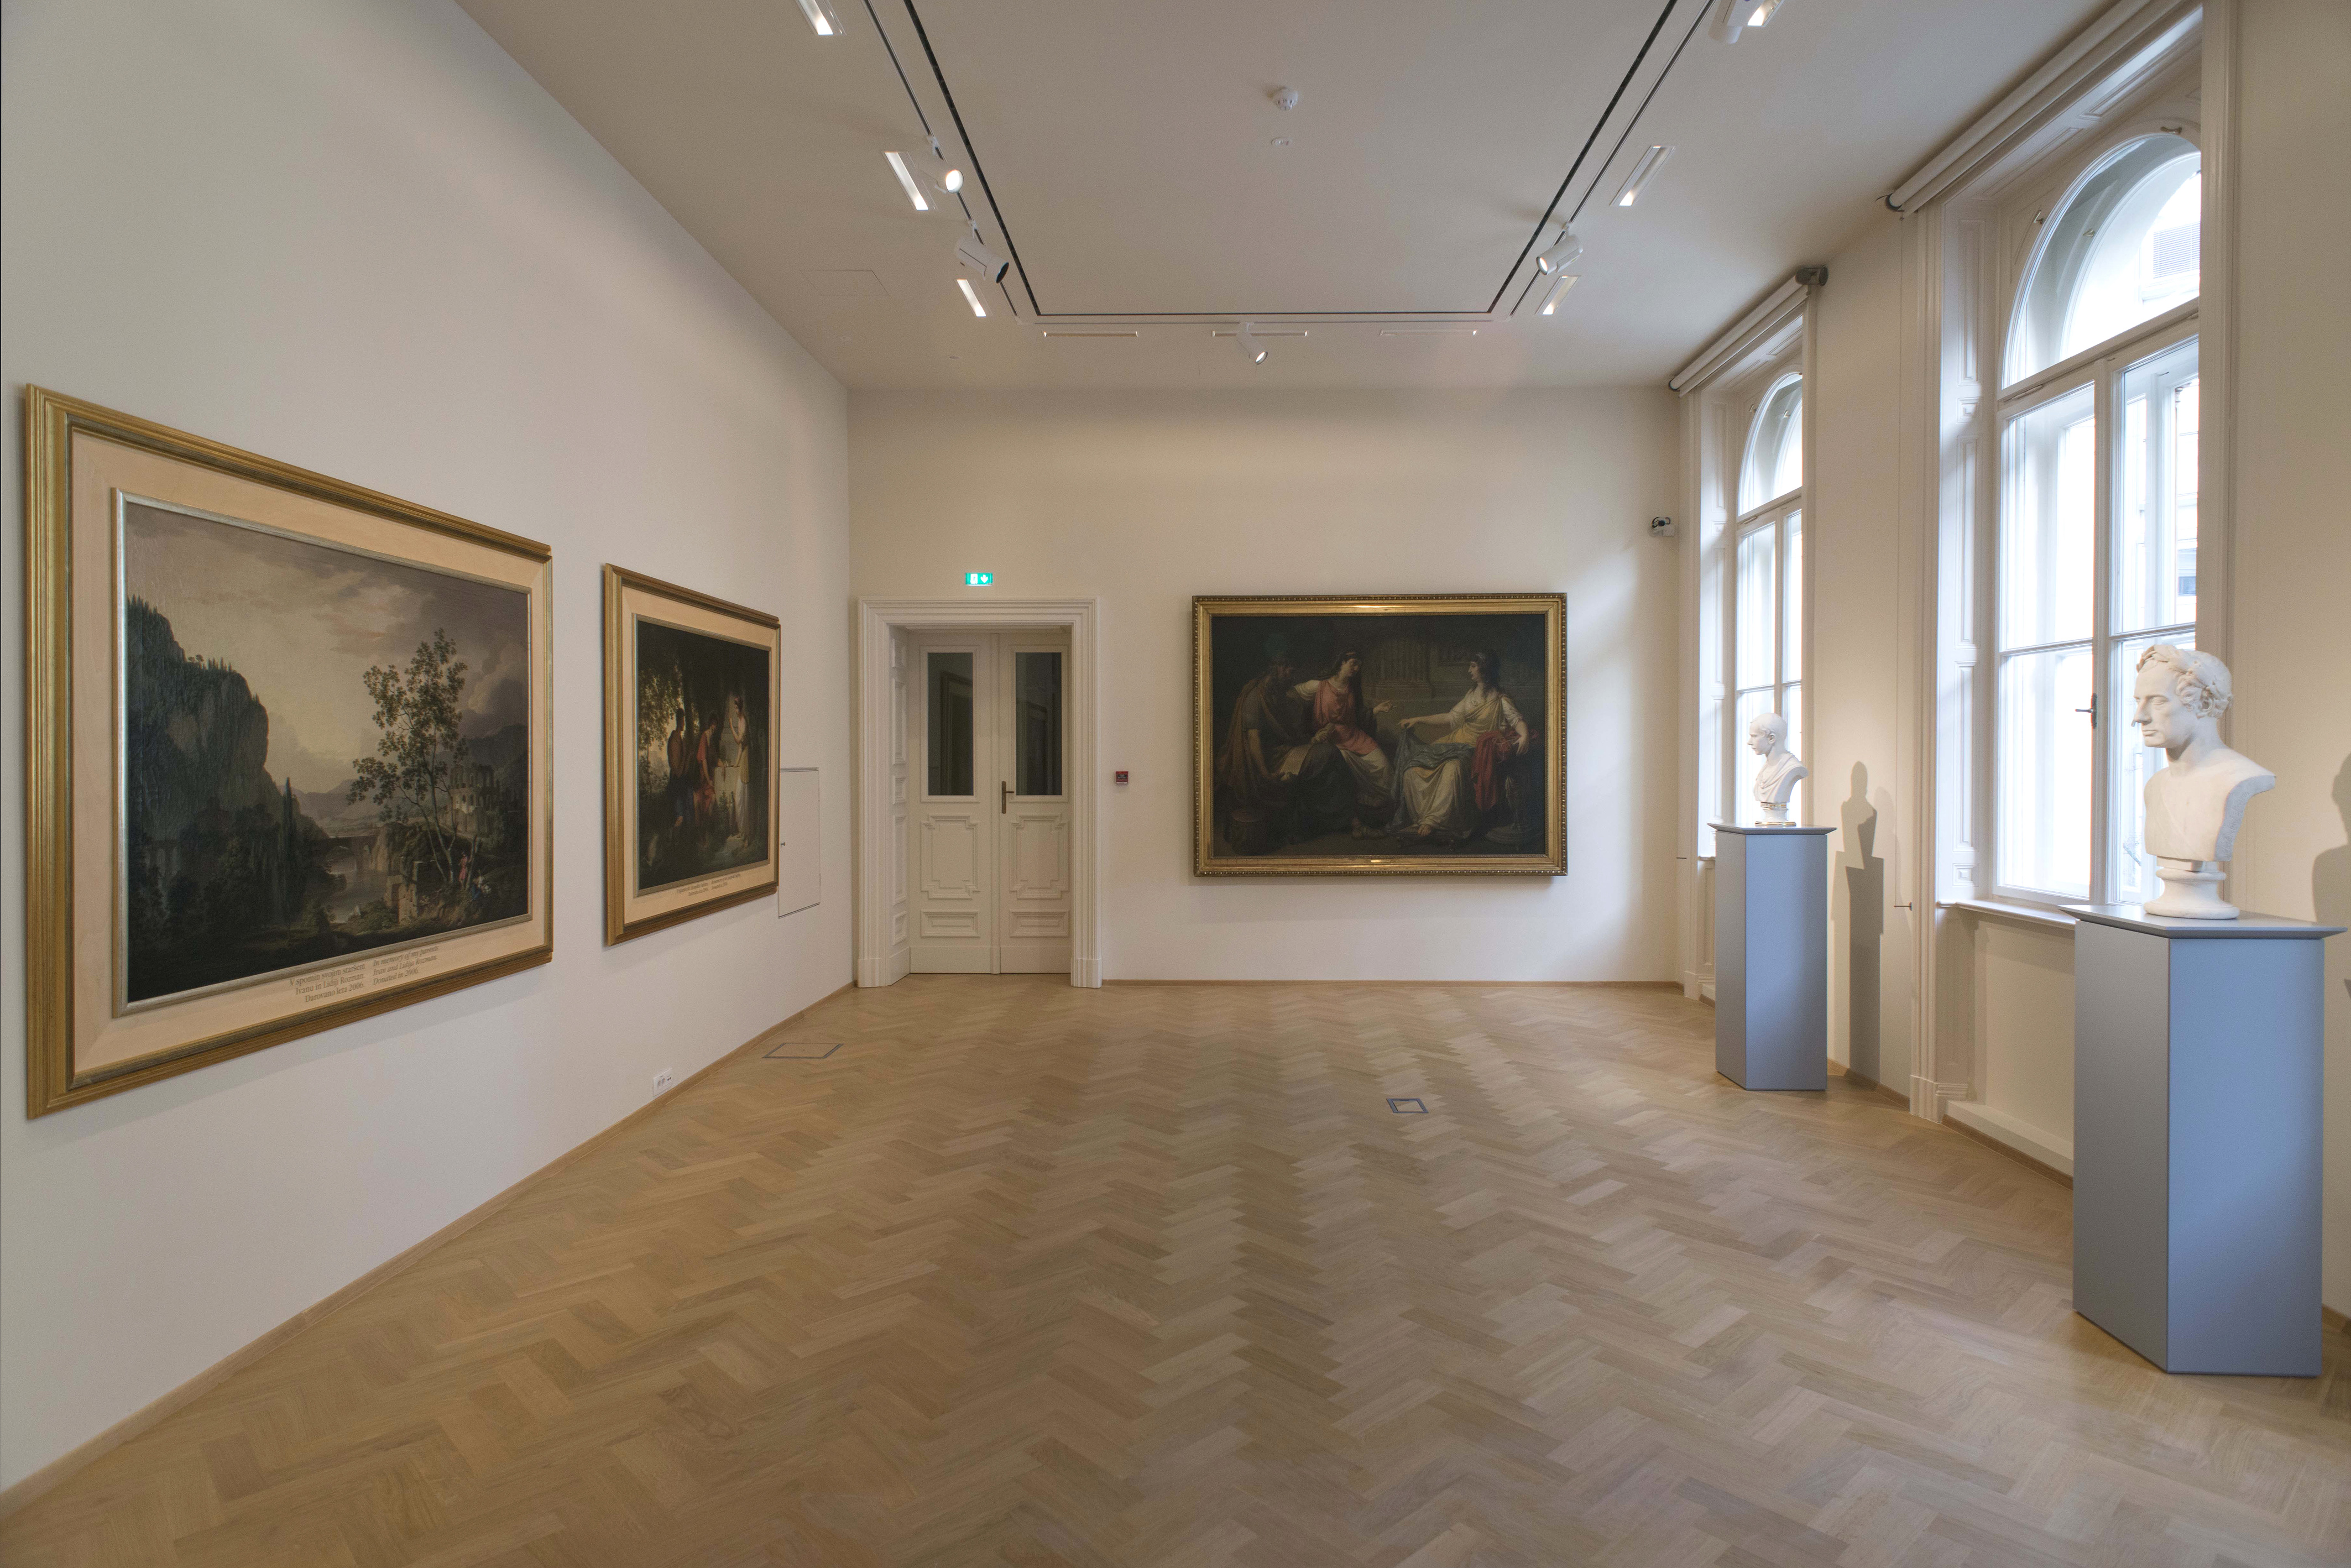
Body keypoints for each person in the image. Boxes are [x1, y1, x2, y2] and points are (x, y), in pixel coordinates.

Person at [1389, 652, 1530, 841]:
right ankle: (1420, 817)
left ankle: (1434, 820)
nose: (1469, 670)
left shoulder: (1500, 701)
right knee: (1413, 768)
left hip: (1474, 750)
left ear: (1484, 670)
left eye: (1473, 666)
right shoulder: (1471, 695)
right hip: (1454, 741)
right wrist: (1418, 719)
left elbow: (1517, 721)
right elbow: (1450, 718)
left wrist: (1525, 735)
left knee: (1452, 768)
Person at [1277, 651, 1395, 837]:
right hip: (1331, 740)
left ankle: (1377, 807)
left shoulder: (1352, 688)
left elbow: (1358, 715)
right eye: (1353, 663)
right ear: (1341, 663)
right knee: (1343, 772)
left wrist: (1376, 710)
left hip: (1353, 736)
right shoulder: (1319, 686)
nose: (1357, 669)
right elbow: (1292, 695)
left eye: (1359, 665)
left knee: (1385, 767)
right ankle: (1359, 817)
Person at [665, 706, 693, 830]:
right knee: (681, 816)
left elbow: (684, 770)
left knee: (690, 804)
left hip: (682, 782)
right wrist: (687, 755)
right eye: (682, 721)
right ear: (679, 721)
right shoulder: (674, 740)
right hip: (677, 784)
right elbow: (678, 771)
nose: (684, 724)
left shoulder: (680, 739)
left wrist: (688, 756)